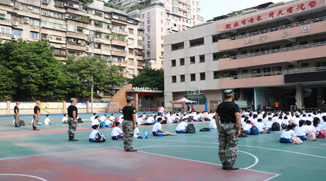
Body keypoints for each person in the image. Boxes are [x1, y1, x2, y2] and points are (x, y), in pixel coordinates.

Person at [215, 89, 241, 170]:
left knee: (222, 146)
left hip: (222, 125)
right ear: (232, 96)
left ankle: (224, 163)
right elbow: (237, 117)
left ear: (224, 96)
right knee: (232, 146)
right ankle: (230, 164)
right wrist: (239, 129)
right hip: (231, 126)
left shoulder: (220, 105)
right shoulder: (234, 105)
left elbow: (216, 117)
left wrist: (218, 127)